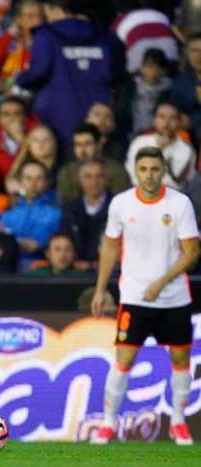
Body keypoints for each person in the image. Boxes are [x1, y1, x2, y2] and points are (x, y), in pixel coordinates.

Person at [90, 146, 199, 446]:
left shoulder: (180, 204)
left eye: (154, 169)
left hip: (174, 297)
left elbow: (193, 252)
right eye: (144, 169)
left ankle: (178, 421)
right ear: (135, 172)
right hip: (134, 296)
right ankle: (109, 422)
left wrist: (162, 283)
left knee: (180, 359)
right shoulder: (121, 204)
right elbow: (111, 247)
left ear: (162, 171)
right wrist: (100, 289)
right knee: (123, 359)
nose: (149, 175)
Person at [15, 0, 113, 147]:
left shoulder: (46, 35)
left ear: (50, 8)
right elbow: (115, 73)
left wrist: (19, 78)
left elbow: (38, 72)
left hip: (58, 116)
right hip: (98, 116)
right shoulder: (102, 35)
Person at [0, 161, 61, 265]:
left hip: (45, 266)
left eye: (39, 178)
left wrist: (41, 246)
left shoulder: (58, 209)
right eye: (28, 178)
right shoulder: (7, 209)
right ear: (20, 181)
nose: (33, 183)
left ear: (46, 182)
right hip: (9, 267)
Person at [124, 102, 195, 189]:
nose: (167, 122)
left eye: (172, 118)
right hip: (140, 193)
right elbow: (131, 173)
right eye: (162, 117)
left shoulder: (186, 149)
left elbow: (178, 183)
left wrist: (163, 150)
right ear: (154, 120)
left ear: (179, 122)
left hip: (172, 197)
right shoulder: (139, 142)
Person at [56, 123, 130, 204]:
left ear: (99, 145)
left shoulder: (116, 171)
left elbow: (121, 203)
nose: (82, 151)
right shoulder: (67, 172)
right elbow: (64, 203)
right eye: (78, 145)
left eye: (88, 144)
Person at [0, 0, 44, 89]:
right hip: (9, 91)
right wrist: (8, 35)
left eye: (40, 16)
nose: (37, 21)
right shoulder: (10, 40)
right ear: (19, 19)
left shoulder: (48, 41)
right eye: (30, 17)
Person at [60, 159, 112, 265]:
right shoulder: (69, 209)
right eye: (88, 177)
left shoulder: (117, 206)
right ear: (79, 179)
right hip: (76, 269)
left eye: (99, 176)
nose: (94, 182)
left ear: (106, 178)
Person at [0, 97, 36, 192]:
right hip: (9, 192)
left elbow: (43, 162)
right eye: (6, 114)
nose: (12, 118)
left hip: (36, 184)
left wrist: (22, 140)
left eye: (17, 113)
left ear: (24, 117)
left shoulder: (36, 131)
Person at [170, 33, 201, 143]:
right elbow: (175, 109)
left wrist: (193, 121)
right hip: (187, 137)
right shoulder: (181, 81)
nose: (198, 56)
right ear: (187, 54)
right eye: (194, 50)